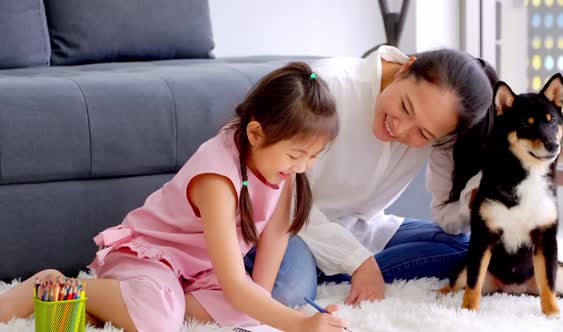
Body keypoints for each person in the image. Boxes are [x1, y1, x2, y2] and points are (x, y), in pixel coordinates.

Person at [0, 62, 349, 332]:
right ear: (256, 133)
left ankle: (133, 304)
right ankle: (63, 287)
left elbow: (267, 256)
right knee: (162, 313)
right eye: (295, 156)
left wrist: (263, 312)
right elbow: (232, 282)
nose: (303, 167)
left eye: (314, 157)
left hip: (196, 273)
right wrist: (300, 324)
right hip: (151, 258)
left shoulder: (285, 171)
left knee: (247, 305)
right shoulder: (217, 176)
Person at [243, 46, 498, 307]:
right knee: (287, 292)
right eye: (405, 107)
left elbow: (448, 220)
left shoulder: (442, 129)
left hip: (361, 229)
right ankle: (338, 268)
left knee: (469, 250)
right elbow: (286, 202)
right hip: (291, 225)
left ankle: (336, 269)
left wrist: (480, 191)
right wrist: (358, 261)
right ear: (405, 69)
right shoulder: (328, 88)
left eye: (423, 134)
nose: (400, 129)